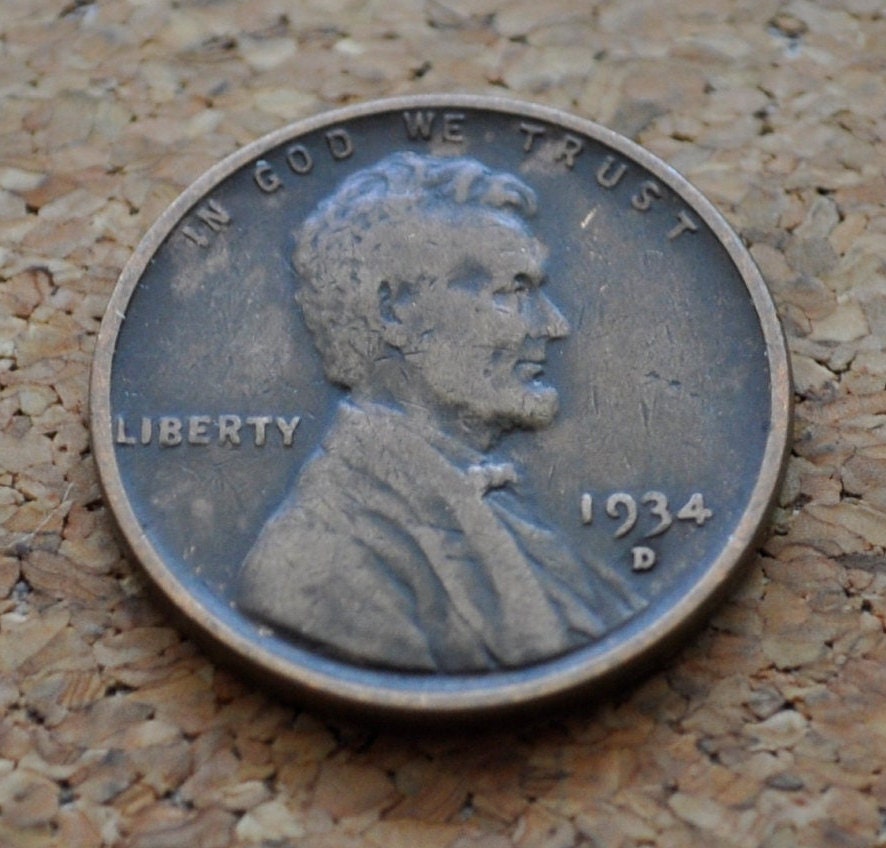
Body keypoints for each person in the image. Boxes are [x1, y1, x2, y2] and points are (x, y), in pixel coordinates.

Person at [236, 152, 642, 672]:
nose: (554, 325)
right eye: (512, 292)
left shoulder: (500, 508)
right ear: (394, 311)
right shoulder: (311, 567)